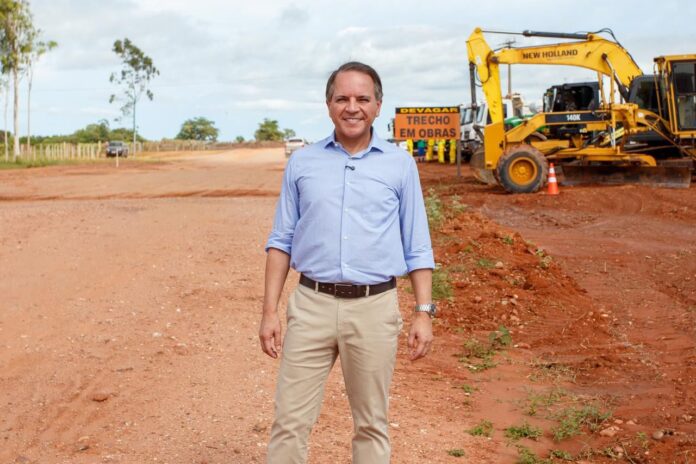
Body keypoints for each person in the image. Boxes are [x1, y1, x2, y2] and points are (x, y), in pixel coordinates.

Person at [260, 61, 436, 464]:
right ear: (328, 105)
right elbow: (281, 240)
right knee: (289, 422)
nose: (352, 107)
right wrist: (269, 311)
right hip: (311, 305)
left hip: (374, 308)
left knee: (371, 424)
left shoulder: (400, 165)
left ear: (378, 106)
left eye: (362, 99)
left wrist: (423, 312)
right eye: (342, 98)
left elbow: (417, 245)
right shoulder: (303, 162)